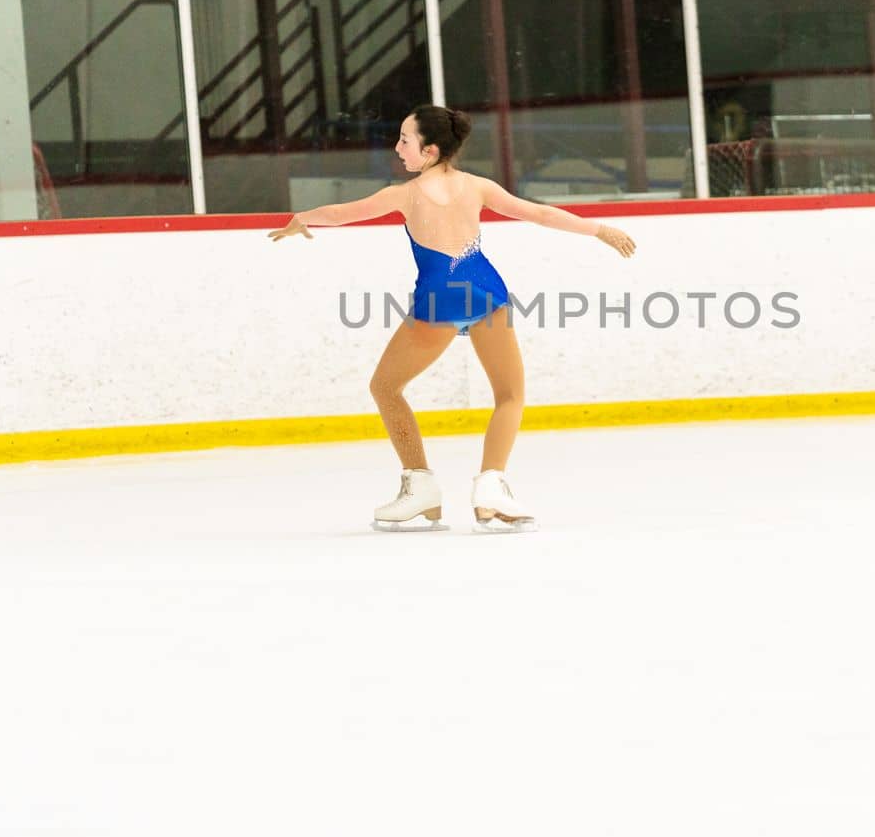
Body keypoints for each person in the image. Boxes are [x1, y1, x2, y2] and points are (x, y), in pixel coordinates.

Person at [268, 105, 637, 533]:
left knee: (385, 388)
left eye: (405, 140)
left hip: (441, 299)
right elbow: (538, 213)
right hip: (486, 290)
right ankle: (492, 488)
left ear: (430, 150)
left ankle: (420, 486)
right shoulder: (477, 187)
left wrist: (302, 219)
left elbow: (342, 213)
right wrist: (600, 231)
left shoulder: (402, 195)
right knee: (510, 395)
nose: (398, 147)